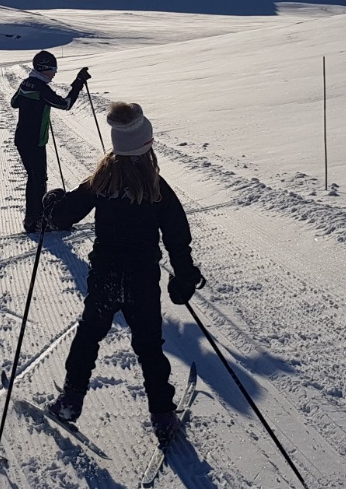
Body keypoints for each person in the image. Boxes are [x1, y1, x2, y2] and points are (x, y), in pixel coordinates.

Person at [41, 101, 205, 446]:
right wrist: (184, 275)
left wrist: (52, 202)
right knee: (149, 347)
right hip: (142, 280)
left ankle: (71, 401)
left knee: (89, 336)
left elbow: (62, 217)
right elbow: (177, 235)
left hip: (105, 276)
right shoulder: (157, 187)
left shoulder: (100, 181)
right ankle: (162, 416)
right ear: (147, 145)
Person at [11, 50, 91, 233]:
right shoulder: (41, 88)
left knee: (33, 178)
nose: (55, 72)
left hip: (21, 139)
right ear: (44, 68)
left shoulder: (26, 83)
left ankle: (32, 219)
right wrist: (78, 83)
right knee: (39, 179)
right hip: (36, 141)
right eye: (53, 69)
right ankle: (38, 221)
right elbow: (65, 104)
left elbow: (14, 103)